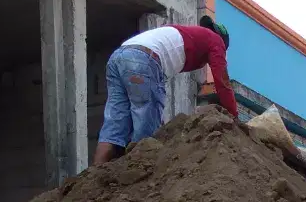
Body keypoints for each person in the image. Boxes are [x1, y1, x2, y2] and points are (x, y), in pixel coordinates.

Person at [93, 16, 238, 165]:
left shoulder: (186, 34)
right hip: (143, 59)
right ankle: (138, 170)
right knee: (146, 123)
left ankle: (95, 175)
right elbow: (222, 81)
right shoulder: (215, 40)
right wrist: (234, 116)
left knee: (115, 122)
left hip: (118, 57)